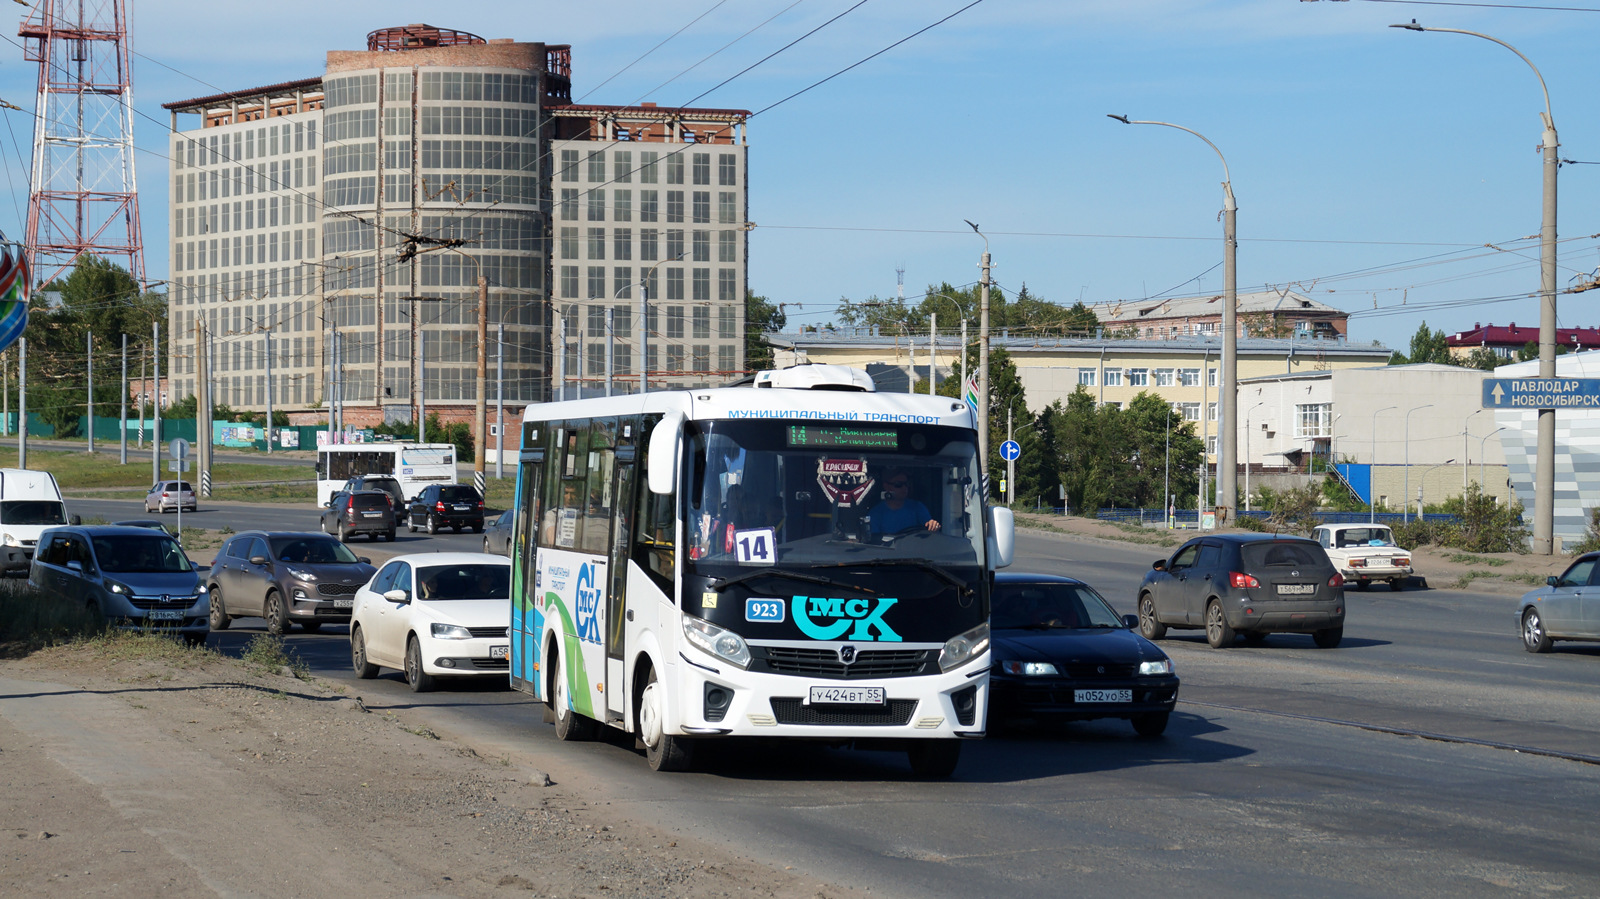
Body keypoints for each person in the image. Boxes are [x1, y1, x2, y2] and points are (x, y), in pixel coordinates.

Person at [868, 468, 940, 535]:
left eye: (906, 484)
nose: (904, 488)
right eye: (899, 484)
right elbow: (874, 541)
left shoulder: (918, 507)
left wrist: (933, 525)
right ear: (886, 486)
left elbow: (930, 531)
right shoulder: (876, 513)